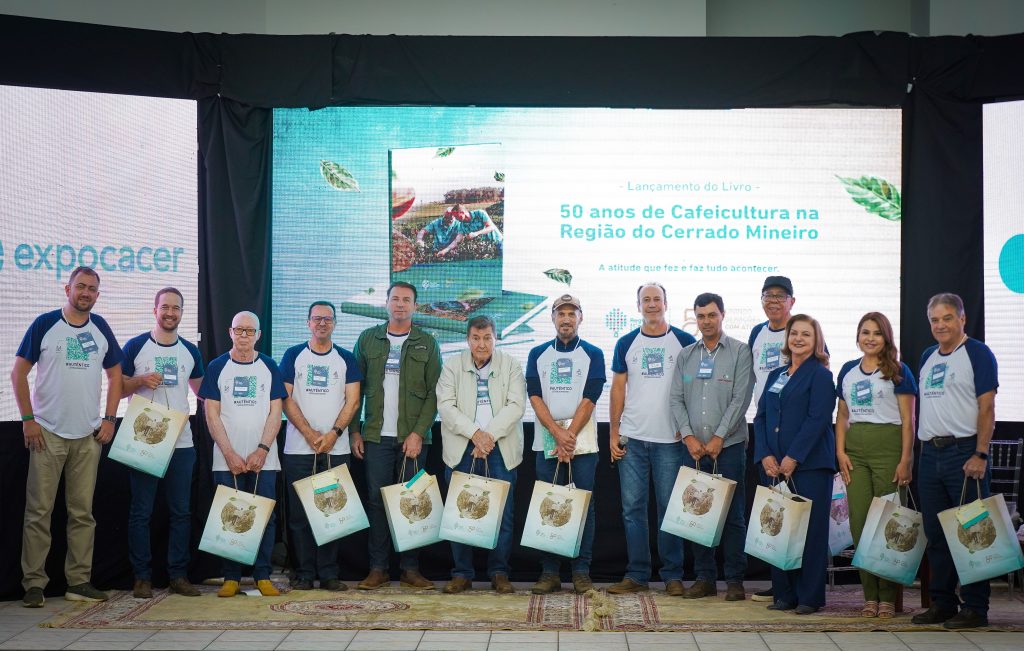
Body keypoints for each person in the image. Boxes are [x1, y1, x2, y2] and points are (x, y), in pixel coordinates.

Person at [12, 266, 122, 608]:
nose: (86, 293)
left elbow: (116, 375)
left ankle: (79, 581)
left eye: (92, 289)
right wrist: (28, 420)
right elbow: (18, 373)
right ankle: (34, 584)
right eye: (81, 286)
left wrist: (109, 419)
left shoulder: (101, 327)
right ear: (67, 288)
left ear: (98, 295)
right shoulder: (45, 324)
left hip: (88, 436)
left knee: (82, 513)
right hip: (47, 433)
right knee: (38, 513)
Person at [911, 293, 998, 629]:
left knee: (973, 532)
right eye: (934, 319)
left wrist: (980, 453)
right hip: (930, 454)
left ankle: (976, 608)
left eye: (947, 318)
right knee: (936, 535)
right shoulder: (927, 356)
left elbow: (987, 407)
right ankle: (943, 603)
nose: (940, 325)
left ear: (962, 318)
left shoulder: (977, 353)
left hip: (965, 454)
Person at [352, 281, 442, 590]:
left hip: (412, 441)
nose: (400, 304)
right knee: (377, 502)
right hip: (376, 437)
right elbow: (355, 391)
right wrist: (354, 431)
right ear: (386, 304)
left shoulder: (427, 343)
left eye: (406, 300)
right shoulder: (368, 340)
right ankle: (378, 569)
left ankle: (410, 568)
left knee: (412, 501)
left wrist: (418, 432)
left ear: (415, 306)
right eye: (395, 299)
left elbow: (434, 394)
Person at [607, 282, 696, 595]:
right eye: (646, 300)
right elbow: (618, 388)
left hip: (670, 442)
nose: (652, 304)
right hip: (632, 439)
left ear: (666, 303)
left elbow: (692, 388)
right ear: (638, 306)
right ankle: (637, 574)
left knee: (670, 508)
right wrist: (614, 432)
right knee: (632, 509)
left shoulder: (684, 341)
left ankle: (672, 575)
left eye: (657, 299)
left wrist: (686, 426)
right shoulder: (626, 342)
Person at [121, 287, 205, 599]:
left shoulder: (190, 351)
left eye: (176, 308)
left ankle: (178, 575)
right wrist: (140, 381)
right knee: (141, 512)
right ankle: (142, 577)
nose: (170, 313)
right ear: (155, 309)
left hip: (181, 443)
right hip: (144, 440)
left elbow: (204, 393)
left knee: (181, 512)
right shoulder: (135, 346)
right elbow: (117, 391)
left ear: (182, 312)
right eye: (165, 307)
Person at [670, 293, 754, 601]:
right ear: (695, 318)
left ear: (723, 315)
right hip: (692, 448)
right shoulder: (686, 356)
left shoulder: (740, 352)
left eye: (712, 315)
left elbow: (740, 399)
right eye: (701, 316)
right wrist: (689, 437)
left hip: (728, 446)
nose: (706, 321)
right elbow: (676, 399)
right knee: (696, 514)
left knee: (732, 516)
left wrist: (719, 436)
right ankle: (704, 578)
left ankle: (734, 580)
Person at [198, 311, 287, 598]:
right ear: (230, 332)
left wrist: (262, 449)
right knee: (228, 516)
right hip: (227, 457)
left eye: (250, 331)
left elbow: (276, 411)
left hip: (265, 459)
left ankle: (262, 576)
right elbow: (211, 414)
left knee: (265, 517)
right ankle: (231, 577)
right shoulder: (216, 366)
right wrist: (229, 453)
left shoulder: (270, 366)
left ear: (258, 334)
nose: (244, 336)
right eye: (240, 330)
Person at [834, 312, 916, 619]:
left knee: (890, 524)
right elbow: (842, 416)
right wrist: (840, 452)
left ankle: (887, 597)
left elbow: (909, 419)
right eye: (865, 332)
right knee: (859, 525)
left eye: (877, 333)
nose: (870, 338)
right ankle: (869, 595)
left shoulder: (898, 371)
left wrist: (906, 459)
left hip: (889, 449)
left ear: (886, 338)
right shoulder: (847, 371)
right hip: (855, 453)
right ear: (857, 336)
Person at [436, 315, 525, 594]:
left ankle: (499, 572)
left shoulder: (510, 365)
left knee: (504, 514)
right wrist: (476, 434)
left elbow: (516, 405)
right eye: (476, 338)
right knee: (460, 512)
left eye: (487, 338)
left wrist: (488, 437)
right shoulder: (452, 365)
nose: (482, 344)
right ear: (468, 339)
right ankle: (462, 573)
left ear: (495, 339)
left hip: (501, 449)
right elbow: (446, 407)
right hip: (463, 448)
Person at [754, 314, 835, 615]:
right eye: (794, 333)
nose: (799, 338)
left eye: (806, 334)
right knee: (778, 528)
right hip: (774, 467)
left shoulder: (821, 375)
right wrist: (764, 454)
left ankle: (809, 597)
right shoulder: (776, 374)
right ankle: (784, 594)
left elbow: (818, 420)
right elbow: (761, 416)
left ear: (817, 341)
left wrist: (794, 457)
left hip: (811, 466)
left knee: (810, 533)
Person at [525, 294, 606, 595]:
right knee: (548, 503)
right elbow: (534, 395)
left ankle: (581, 571)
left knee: (583, 505)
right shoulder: (537, 353)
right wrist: (557, 435)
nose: (567, 319)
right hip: (547, 438)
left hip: (581, 440)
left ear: (581, 318)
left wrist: (568, 434)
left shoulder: (593, 353)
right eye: (561, 314)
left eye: (572, 314)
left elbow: (591, 395)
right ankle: (549, 572)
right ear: (553, 317)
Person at [279, 301, 362, 591]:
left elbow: (353, 401)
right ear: (308, 323)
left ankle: (328, 573)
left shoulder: (346, 359)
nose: (322, 324)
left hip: (335, 450)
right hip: (298, 450)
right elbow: (285, 398)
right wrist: (310, 433)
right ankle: (303, 573)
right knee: (300, 516)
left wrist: (334, 433)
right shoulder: (293, 356)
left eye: (328, 319)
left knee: (333, 513)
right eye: (317, 319)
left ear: (335, 324)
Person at [747, 275, 796, 602]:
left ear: (792, 300)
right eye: (768, 295)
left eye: (780, 296)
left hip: (794, 430)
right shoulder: (756, 333)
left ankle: (799, 582)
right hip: (764, 427)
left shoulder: (803, 329)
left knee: (797, 508)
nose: (773, 301)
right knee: (774, 510)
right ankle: (778, 581)